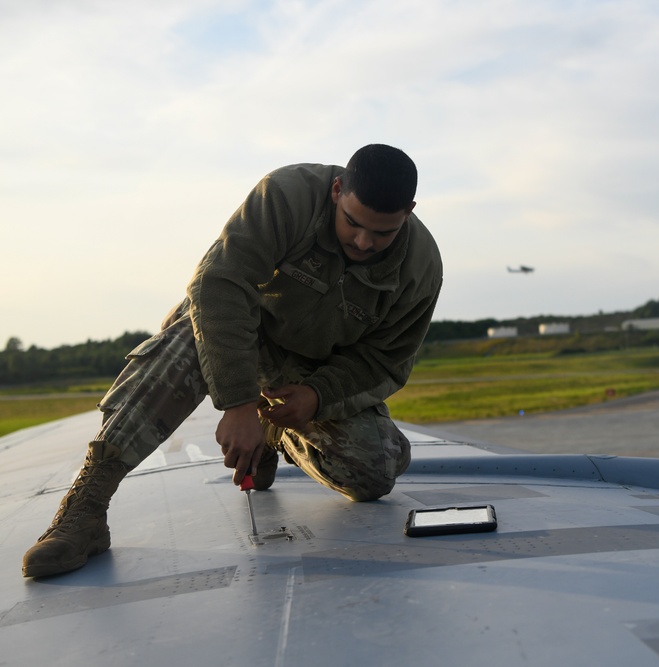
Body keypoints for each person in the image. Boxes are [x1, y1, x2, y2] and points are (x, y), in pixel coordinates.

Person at [23, 144, 443, 578]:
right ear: (337, 190)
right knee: (189, 334)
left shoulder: (421, 268)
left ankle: (273, 436)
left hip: (312, 374)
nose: (363, 242)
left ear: (408, 212)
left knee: (374, 469)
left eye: (382, 234)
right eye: (353, 224)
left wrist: (318, 397)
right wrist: (238, 403)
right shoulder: (287, 196)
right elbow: (219, 284)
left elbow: (385, 360)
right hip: (238, 336)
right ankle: (86, 507)